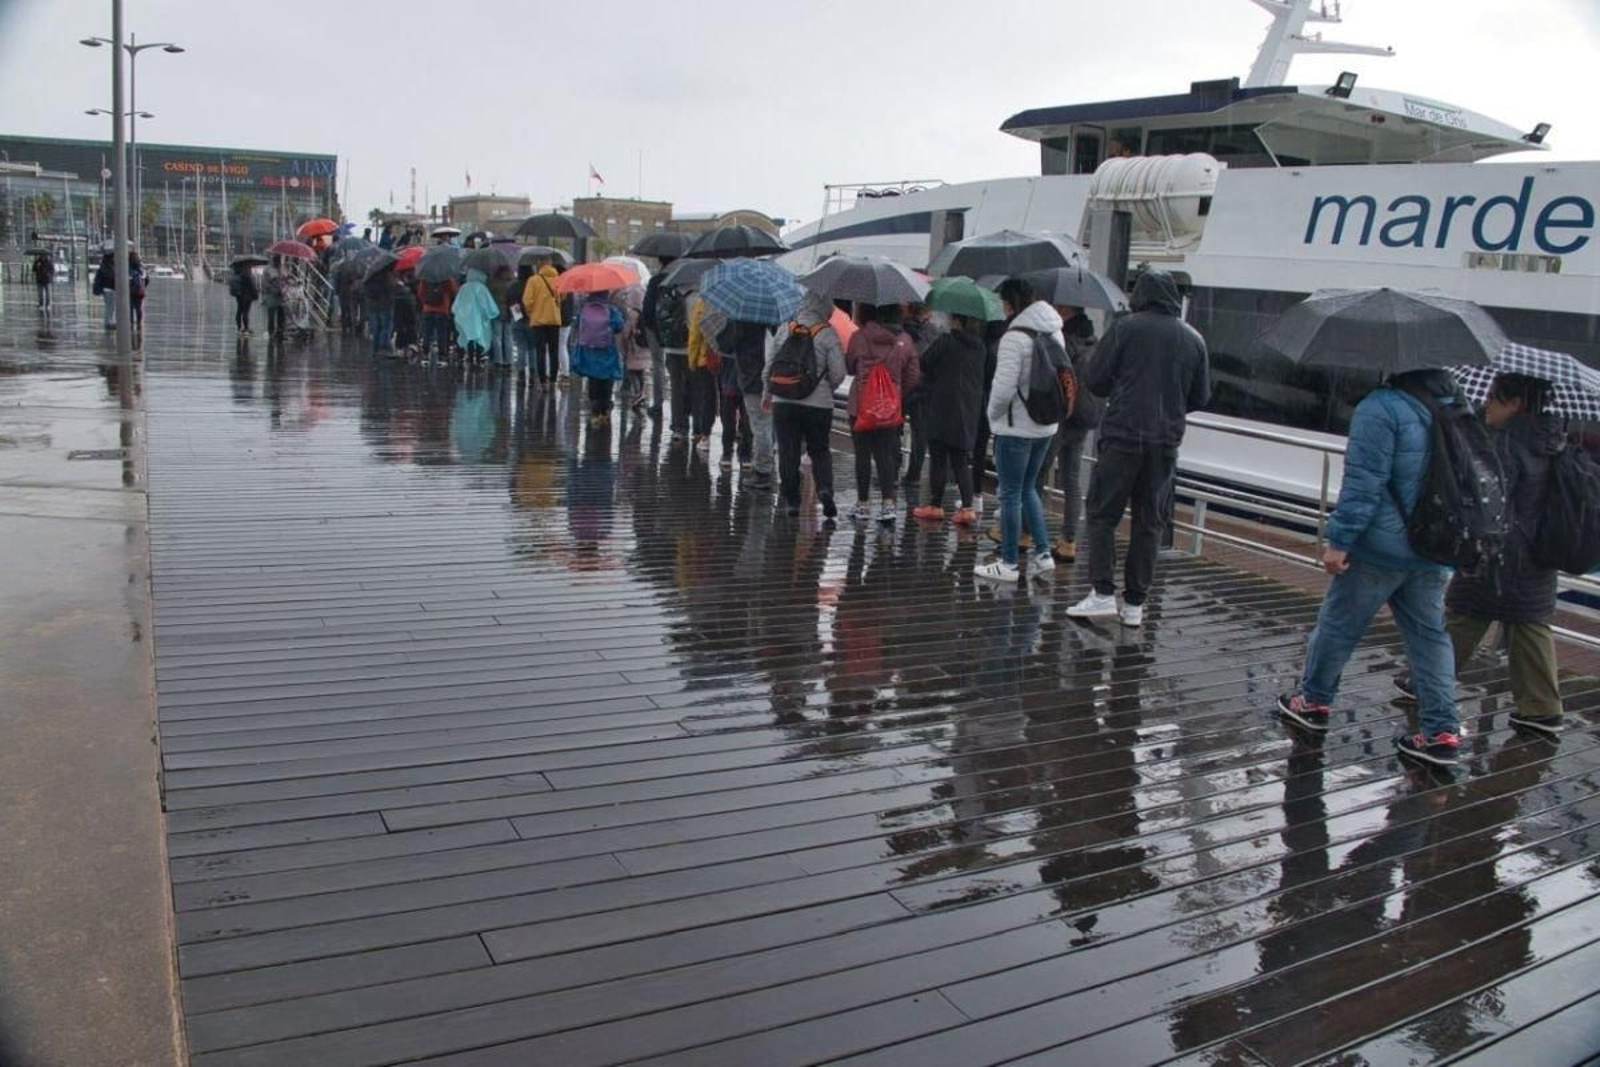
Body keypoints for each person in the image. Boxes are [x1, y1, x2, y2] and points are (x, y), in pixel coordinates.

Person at [1277, 368, 1465, 767]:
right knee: (1430, 639)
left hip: (1380, 549)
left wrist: (1340, 541)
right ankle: (1441, 732)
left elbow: (1363, 484)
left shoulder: (1380, 408)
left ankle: (1313, 701)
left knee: (1339, 626)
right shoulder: (1455, 407)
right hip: (1434, 547)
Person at [1397, 374, 1564, 736]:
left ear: (1515, 403)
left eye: (1494, 397)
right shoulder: (1552, 438)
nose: (1486, 403)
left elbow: (1491, 500)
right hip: (1537, 555)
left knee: (1463, 614)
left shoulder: (1505, 442)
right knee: (1530, 625)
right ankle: (1541, 708)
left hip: (1500, 551)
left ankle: (1425, 682)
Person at [1067, 269, 1209, 626]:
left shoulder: (1125, 328)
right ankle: (1134, 603)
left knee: (1102, 513)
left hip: (1123, 436)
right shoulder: (1193, 338)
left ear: (1140, 295)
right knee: (1150, 521)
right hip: (1165, 443)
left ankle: (1101, 592)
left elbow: (1096, 379)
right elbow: (1200, 396)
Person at [975, 279, 1061, 582]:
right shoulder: (1053, 330)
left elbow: (1002, 390)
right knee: (1029, 488)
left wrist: (991, 417)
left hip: (1016, 429)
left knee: (1010, 494)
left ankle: (1009, 563)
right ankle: (1043, 553)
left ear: (1011, 303)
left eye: (1002, 301)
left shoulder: (1014, 337)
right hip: (1045, 426)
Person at [766, 290, 846, 518]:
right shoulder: (828, 334)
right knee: (819, 449)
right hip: (818, 404)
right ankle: (824, 489)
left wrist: (767, 393)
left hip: (784, 400)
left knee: (787, 450)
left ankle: (791, 500)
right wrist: (825, 388)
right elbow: (839, 373)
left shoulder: (785, 328)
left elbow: (770, 365)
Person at [845, 303, 920, 524]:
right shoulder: (905, 341)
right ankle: (888, 504)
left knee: (862, 455)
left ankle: (863, 504)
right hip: (890, 408)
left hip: (860, 405)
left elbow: (849, 366)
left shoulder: (859, 337)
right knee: (885, 455)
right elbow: (913, 375)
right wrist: (896, 392)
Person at [912, 312, 987, 525]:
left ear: (958, 321)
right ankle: (967, 508)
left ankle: (935, 505)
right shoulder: (980, 348)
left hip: (942, 406)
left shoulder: (947, 341)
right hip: (968, 410)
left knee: (938, 458)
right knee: (961, 460)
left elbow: (924, 362)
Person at [1047, 304, 1100, 562]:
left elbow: (1055, 377)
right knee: (1072, 480)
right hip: (1083, 420)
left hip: (1061, 418)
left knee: (1038, 474)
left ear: (1067, 312)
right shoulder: (1094, 342)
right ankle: (1068, 540)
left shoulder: (1065, 342)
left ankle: (1026, 532)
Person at [719, 319, 776, 488]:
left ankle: (763, 471)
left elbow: (725, 344)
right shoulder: (776, 321)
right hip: (773, 378)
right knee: (765, 423)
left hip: (751, 378)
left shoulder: (742, 317)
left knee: (760, 426)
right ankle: (757, 461)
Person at [570, 289, 625, 425]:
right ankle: (605, 408)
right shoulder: (611, 309)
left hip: (589, 349)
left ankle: (595, 409)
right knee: (607, 377)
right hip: (607, 349)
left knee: (593, 377)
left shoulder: (584, 308)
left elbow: (577, 323)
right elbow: (619, 325)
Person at [899, 301, 936, 488]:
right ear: (927, 311)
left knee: (894, 430)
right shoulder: (934, 332)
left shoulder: (902, 329)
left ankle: (891, 472)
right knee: (920, 434)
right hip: (925, 389)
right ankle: (913, 475)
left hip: (902, 386)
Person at [639, 256, 675, 419]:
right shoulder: (680, 280)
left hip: (655, 328)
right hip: (677, 330)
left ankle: (658, 403)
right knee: (678, 369)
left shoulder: (655, 281)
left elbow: (647, 308)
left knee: (658, 364)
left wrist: (648, 327)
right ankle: (679, 408)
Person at [685, 293, 721, 452]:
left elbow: (695, 336)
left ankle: (704, 435)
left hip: (705, 359)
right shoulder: (736, 304)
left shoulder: (703, 303)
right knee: (730, 400)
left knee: (707, 398)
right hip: (728, 361)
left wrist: (692, 360)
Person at [522, 259, 563, 387]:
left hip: (538, 321)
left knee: (540, 351)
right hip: (554, 320)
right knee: (553, 350)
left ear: (539, 266)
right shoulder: (558, 280)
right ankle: (553, 379)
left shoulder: (533, 280)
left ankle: (542, 379)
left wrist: (531, 313)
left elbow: (527, 301)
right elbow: (563, 297)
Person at [452, 267, 499, 365]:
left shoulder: (464, 287)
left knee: (468, 336)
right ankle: (478, 356)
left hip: (466, 317)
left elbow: (458, 304)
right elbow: (486, 304)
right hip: (479, 318)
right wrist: (489, 313)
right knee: (479, 336)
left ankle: (469, 355)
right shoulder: (481, 288)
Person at [618, 289, 649, 412]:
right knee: (640, 372)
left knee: (631, 371)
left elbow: (626, 332)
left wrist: (622, 342)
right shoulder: (644, 312)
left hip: (633, 348)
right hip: (644, 349)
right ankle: (642, 392)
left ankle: (637, 393)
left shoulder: (632, 314)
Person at [417, 273, 457, 362]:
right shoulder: (446, 276)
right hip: (442, 309)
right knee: (442, 333)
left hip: (427, 308)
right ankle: (442, 355)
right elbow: (453, 290)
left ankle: (425, 354)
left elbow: (420, 292)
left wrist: (425, 302)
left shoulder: (425, 276)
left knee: (427, 332)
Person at [487, 264, 517, 369]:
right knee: (509, 336)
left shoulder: (494, 282)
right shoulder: (513, 282)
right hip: (511, 310)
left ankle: (498, 360)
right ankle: (509, 360)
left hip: (497, 310)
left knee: (497, 336)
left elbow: (489, 296)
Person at [510, 263, 536, 381]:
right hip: (532, 319)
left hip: (518, 318)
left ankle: (521, 373)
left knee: (521, 347)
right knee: (532, 348)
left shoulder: (514, 286)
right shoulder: (534, 284)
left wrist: (517, 316)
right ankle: (532, 372)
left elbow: (510, 301)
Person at [364, 266, 397, 356]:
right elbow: (392, 287)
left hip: (374, 306)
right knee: (386, 327)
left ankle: (376, 347)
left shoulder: (370, 277)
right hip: (386, 304)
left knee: (376, 327)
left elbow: (367, 291)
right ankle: (384, 347)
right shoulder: (387, 275)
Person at [393, 269, 419, 356]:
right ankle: (411, 345)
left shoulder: (397, 288)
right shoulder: (413, 284)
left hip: (400, 311)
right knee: (411, 325)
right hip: (410, 309)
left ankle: (400, 347)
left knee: (401, 326)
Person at [230, 261, 259, 335]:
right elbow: (251, 285)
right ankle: (246, 328)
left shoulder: (237, 273)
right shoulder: (246, 273)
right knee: (245, 312)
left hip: (239, 295)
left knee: (239, 311)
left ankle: (239, 327)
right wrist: (255, 295)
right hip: (247, 296)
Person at [261, 256, 286, 340]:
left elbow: (282, 279)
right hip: (271, 294)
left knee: (281, 313)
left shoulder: (278, 268)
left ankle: (280, 331)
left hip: (278, 295)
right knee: (271, 314)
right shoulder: (270, 269)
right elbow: (274, 279)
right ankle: (271, 332)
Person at [92, 251, 116, 330]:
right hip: (109, 289)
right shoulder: (107, 267)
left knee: (110, 307)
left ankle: (110, 321)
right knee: (110, 307)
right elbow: (110, 276)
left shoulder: (104, 267)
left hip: (108, 289)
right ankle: (109, 322)